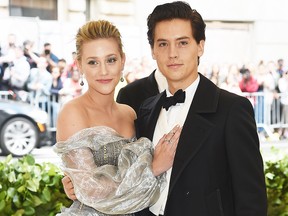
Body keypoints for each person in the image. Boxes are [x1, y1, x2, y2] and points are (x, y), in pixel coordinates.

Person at [134, 1, 267, 215]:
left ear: (200, 46)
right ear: (153, 51)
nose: (172, 53)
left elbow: (251, 200)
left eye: (183, 43)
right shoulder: (146, 109)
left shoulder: (232, 109)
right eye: (163, 44)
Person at [54, 20, 181, 215]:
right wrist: (152, 169)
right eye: (93, 62)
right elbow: (93, 192)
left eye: (111, 60)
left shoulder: (129, 113)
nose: (103, 70)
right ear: (79, 65)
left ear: (122, 60)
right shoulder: (73, 113)